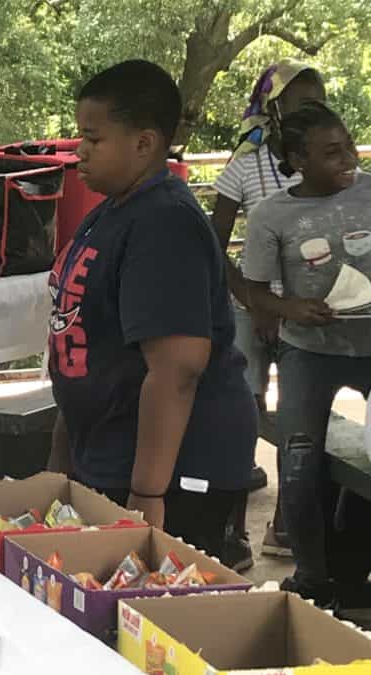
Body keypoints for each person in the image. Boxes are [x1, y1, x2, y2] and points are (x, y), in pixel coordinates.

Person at [46, 60, 257, 559]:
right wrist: (62, 457)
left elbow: (177, 369)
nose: (81, 150)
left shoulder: (165, 224)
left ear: (143, 142)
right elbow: (77, 339)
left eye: (93, 139)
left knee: (153, 624)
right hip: (109, 452)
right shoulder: (111, 211)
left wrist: (147, 493)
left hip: (174, 471)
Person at [243, 101, 371, 607]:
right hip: (308, 351)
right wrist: (291, 306)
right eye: (332, 153)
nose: (348, 160)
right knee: (298, 463)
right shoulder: (272, 215)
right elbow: (254, 291)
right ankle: (312, 577)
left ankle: (352, 565)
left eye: (349, 147)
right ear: (298, 159)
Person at [212, 60, 326, 562]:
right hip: (248, 308)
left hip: (303, 312)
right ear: (274, 109)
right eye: (300, 102)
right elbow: (213, 243)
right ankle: (231, 530)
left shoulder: (324, 162)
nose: (311, 110)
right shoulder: (244, 165)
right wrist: (252, 300)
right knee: (241, 413)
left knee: (297, 416)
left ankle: (283, 525)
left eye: (317, 101)